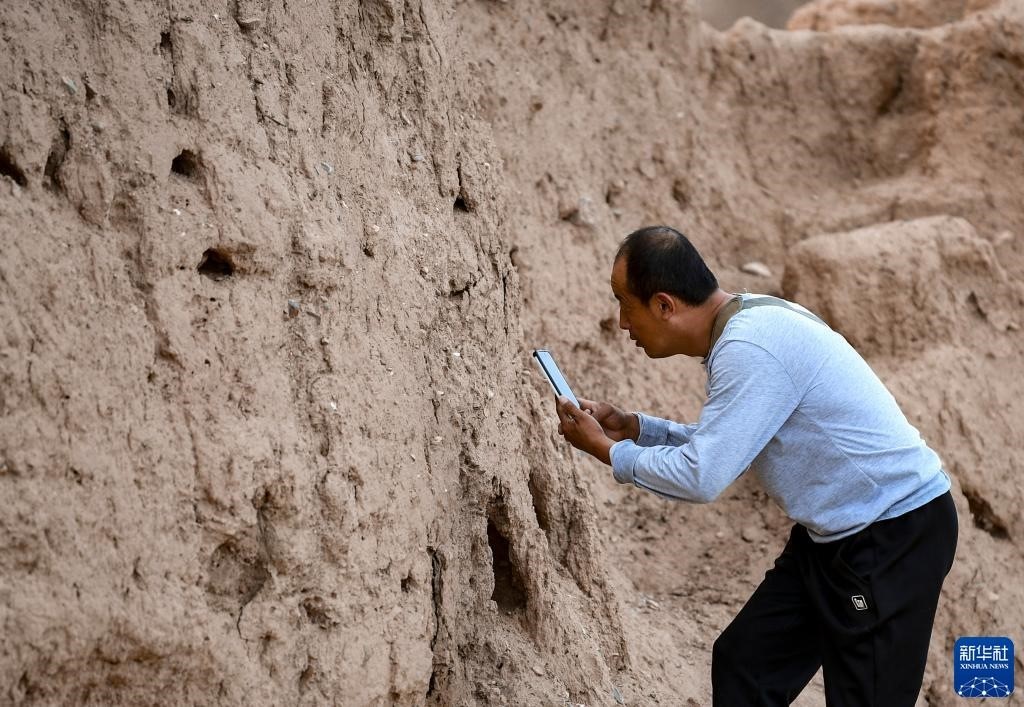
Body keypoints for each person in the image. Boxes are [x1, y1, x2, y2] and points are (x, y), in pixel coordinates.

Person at [555, 225, 958, 706]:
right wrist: (637, 429)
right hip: (836, 533)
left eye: (625, 304)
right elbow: (732, 441)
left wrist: (606, 450)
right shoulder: (750, 320)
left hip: (891, 535)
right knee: (745, 663)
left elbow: (702, 476)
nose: (622, 323)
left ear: (663, 305)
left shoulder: (750, 348)